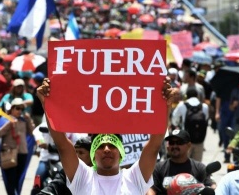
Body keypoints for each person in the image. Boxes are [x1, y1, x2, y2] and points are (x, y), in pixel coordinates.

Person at [36, 77, 178, 195]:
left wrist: (165, 106)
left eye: (112, 145)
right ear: (93, 153)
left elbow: (154, 145)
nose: (106, 149)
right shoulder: (82, 177)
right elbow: (62, 145)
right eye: (100, 146)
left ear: (121, 152)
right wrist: (47, 104)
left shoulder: (134, 177)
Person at [147, 130, 214, 195]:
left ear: (189, 145)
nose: (175, 146)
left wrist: (213, 188)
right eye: (171, 143)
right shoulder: (159, 168)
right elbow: (152, 189)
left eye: (179, 142)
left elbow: (211, 186)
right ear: (167, 146)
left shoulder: (199, 168)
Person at [0, 98, 35, 195]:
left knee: (18, 179)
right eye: (17, 108)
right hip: (9, 153)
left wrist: (29, 120)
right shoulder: (5, 119)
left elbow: (33, 133)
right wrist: (8, 124)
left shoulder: (24, 120)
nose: (20, 111)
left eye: (21, 108)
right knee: (10, 180)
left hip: (22, 152)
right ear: (11, 109)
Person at [171, 88, 208, 161]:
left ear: (186, 96)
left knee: (184, 164)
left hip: (185, 140)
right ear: (197, 96)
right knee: (197, 165)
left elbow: (174, 120)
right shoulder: (204, 106)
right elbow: (206, 119)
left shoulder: (182, 105)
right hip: (199, 139)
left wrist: (178, 125)